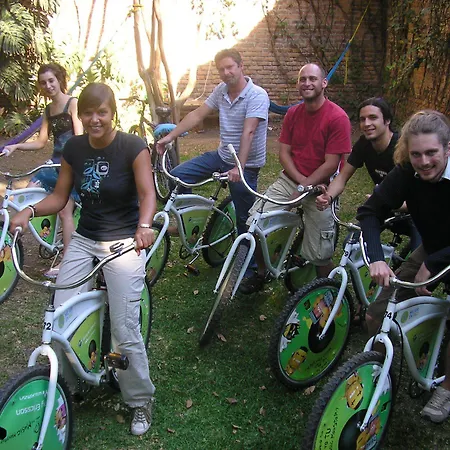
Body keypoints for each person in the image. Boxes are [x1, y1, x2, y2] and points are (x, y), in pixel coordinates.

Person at [10, 83, 157, 436]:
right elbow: (60, 196)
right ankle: (68, 383)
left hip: (123, 242)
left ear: (112, 113)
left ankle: (140, 399)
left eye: (101, 112)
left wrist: (144, 225)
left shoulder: (133, 147)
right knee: (61, 317)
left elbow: (147, 194)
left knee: (125, 329)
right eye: (88, 113)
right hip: (85, 239)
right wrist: (29, 210)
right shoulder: (74, 148)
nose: (94, 119)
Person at [356, 110, 450, 424]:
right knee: (375, 313)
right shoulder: (408, 171)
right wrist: (377, 258)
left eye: (432, 153)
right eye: (416, 154)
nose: (424, 162)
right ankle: (378, 370)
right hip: (433, 245)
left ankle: (446, 389)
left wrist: (433, 264)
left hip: (438, 252)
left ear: (447, 149)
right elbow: (370, 211)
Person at [239, 63, 352, 294]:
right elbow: (284, 154)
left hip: (322, 187)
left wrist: (305, 187)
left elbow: (331, 164)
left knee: (320, 255)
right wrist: (300, 183)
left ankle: (333, 293)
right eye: (302, 79)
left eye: (312, 78)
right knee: (255, 225)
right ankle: (261, 274)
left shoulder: (337, 117)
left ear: (324, 83)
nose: (307, 83)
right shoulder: (293, 113)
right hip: (292, 180)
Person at [156, 48, 270, 236]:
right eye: (221, 69)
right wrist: (170, 136)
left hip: (246, 165)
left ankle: (246, 255)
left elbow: (249, 131)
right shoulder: (221, 90)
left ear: (241, 66)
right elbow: (197, 114)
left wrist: (239, 167)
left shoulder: (257, 95)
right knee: (178, 177)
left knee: (244, 219)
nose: (226, 73)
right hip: (222, 156)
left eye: (230, 67)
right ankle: (189, 224)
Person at [3, 63, 83, 277]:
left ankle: (67, 262)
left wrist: (75, 163)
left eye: (51, 81)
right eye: (43, 83)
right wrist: (16, 146)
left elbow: (80, 138)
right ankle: (14, 242)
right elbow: (41, 142)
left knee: (65, 210)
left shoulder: (73, 103)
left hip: (71, 165)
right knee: (27, 195)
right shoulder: (48, 110)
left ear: (59, 80)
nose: (48, 86)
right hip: (54, 164)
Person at [316, 97, 421, 250]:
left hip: (415, 212)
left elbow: (422, 197)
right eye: (362, 119)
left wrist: (387, 201)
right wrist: (328, 196)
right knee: (352, 245)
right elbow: (342, 177)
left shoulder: (404, 149)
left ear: (387, 121)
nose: (366, 124)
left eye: (373, 118)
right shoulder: (364, 144)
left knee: (420, 255)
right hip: (385, 208)